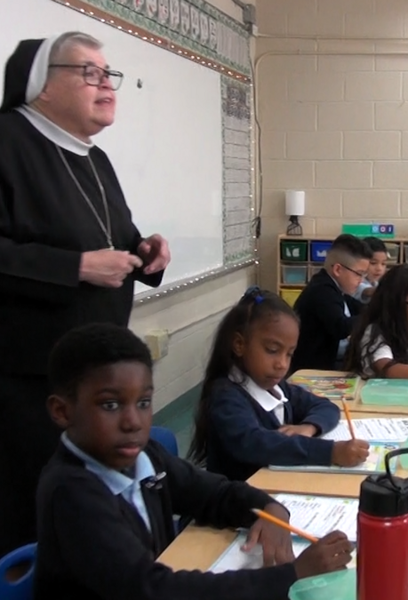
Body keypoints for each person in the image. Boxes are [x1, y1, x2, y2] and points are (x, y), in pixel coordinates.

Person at [0, 32, 170, 556]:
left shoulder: (93, 158)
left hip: (95, 373)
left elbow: (111, 237)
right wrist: (74, 267)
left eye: (108, 74)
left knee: (93, 514)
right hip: (27, 381)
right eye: (89, 73)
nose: (106, 85)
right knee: (34, 511)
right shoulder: (7, 141)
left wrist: (145, 251)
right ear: (41, 85)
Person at [34, 323, 352, 600]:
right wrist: (292, 575)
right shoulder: (72, 493)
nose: (133, 421)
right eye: (110, 405)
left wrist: (269, 509)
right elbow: (149, 590)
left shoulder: (144, 457)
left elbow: (215, 494)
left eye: (143, 402)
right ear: (62, 412)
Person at [187, 287, 369, 482]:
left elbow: (325, 406)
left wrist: (309, 427)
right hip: (242, 501)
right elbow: (256, 444)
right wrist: (331, 452)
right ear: (239, 345)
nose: (282, 364)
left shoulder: (277, 387)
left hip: (279, 486)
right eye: (272, 350)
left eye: (289, 354)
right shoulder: (226, 396)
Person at [291, 234, 372, 373]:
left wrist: (378, 308)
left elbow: (361, 309)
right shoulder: (322, 290)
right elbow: (340, 327)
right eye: (359, 274)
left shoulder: (335, 289)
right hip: (313, 370)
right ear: (338, 270)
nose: (361, 281)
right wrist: (374, 314)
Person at [353, 236, 388, 303]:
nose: (379, 268)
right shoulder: (356, 282)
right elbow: (367, 291)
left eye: (383, 264)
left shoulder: (375, 283)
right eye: (373, 263)